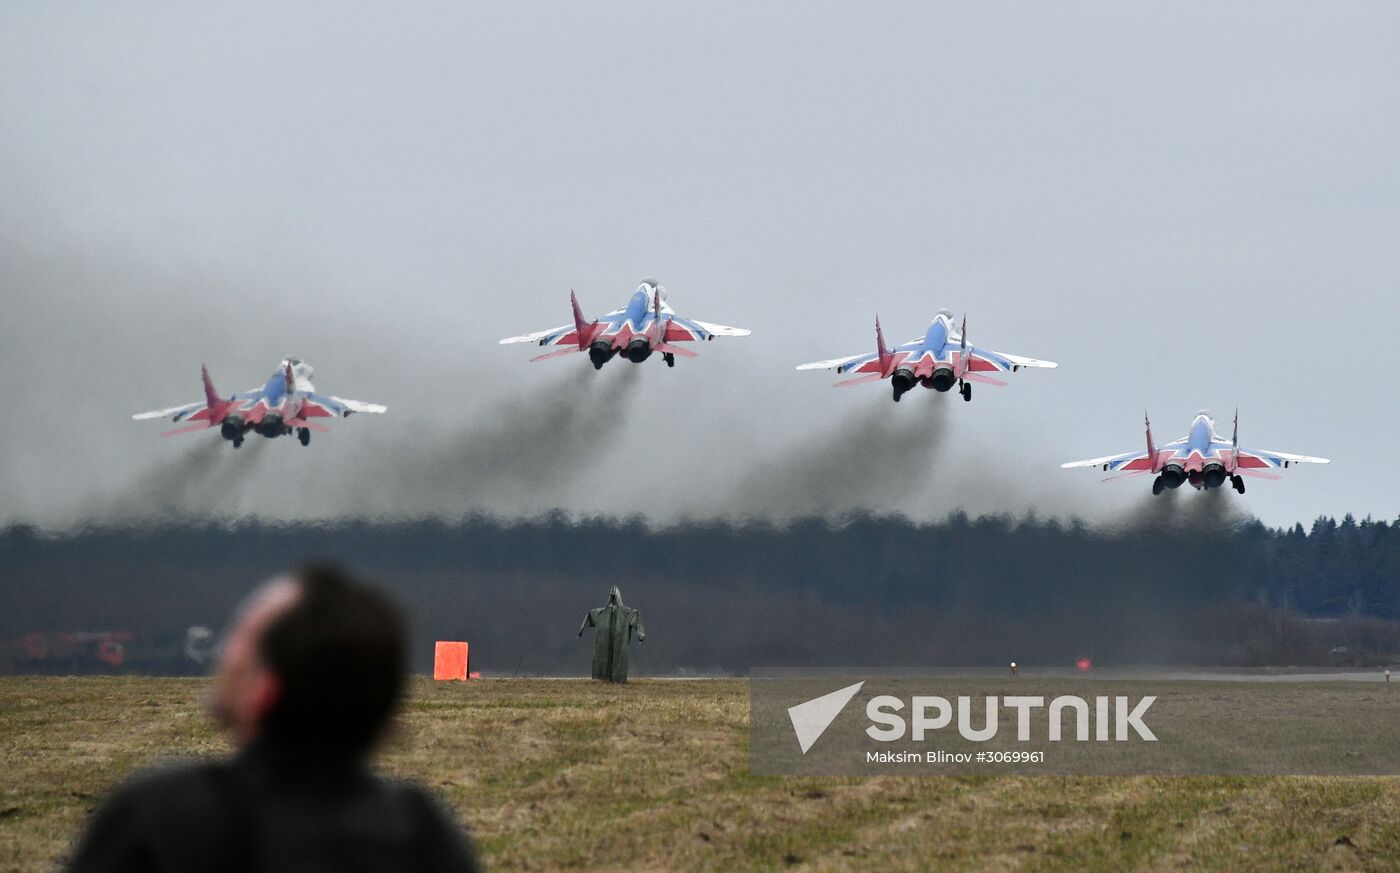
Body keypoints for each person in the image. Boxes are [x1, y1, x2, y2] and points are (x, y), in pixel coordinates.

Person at [67, 563, 482, 873]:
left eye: (238, 635)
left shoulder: (162, 818)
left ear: (265, 690)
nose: (223, 652)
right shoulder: (422, 832)